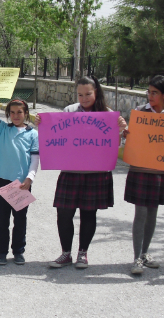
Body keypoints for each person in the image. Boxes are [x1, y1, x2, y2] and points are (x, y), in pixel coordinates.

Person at [37, 76, 126, 269]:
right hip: (70, 172)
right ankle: (66, 253)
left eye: (88, 94)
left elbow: (116, 145)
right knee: (63, 214)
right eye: (80, 94)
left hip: (95, 173)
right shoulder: (69, 111)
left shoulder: (108, 115)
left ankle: (83, 253)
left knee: (88, 214)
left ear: (96, 92)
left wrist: (121, 130)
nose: (84, 98)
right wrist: (42, 124)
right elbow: (56, 134)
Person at [124, 75, 164, 275]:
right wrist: (127, 135)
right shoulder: (140, 113)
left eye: (154, 93)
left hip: (158, 172)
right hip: (140, 170)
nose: (150, 96)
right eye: (148, 92)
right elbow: (131, 140)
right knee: (141, 214)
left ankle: (145, 253)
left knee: (152, 213)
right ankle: (136, 258)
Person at [0, 79, 40, 266]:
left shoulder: (32, 134)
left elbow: (34, 159)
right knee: (2, 220)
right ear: (8, 114)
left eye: (20, 112)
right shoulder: (4, 129)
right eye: (13, 112)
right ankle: (1, 252)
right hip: (3, 181)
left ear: (26, 114)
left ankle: (18, 251)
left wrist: (30, 178)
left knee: (20, 220)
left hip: (22, 183)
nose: (16, 115)